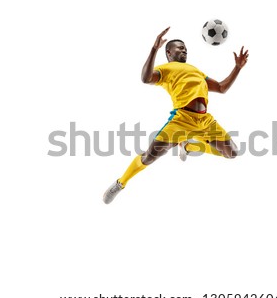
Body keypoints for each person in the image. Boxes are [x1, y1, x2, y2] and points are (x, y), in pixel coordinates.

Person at [103, 27, 248, 204]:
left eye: (185, 47)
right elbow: (146, 78)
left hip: (205, 121)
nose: (184, 49)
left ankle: (189, 147)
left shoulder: (197, 71)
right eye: (180, 48)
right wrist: (154, 49)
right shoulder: (166, 69)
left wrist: (237, 67)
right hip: (181, 120)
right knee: (149, 156)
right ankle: (121, 183)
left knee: (231, 153)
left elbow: (221, 88)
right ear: (169, 53)